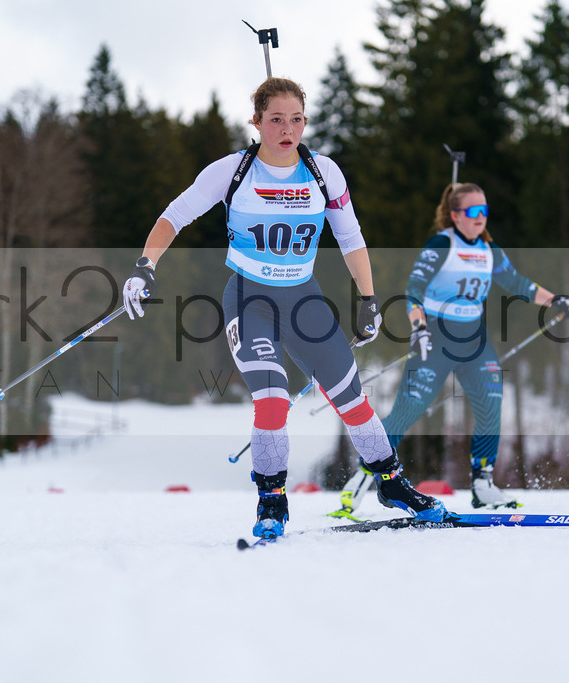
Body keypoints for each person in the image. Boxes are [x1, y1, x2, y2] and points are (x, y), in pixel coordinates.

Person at [122, 77, 446, 539]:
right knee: (272, 399)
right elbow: (173, 215)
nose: (287, 128)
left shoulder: (323, 172)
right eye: (275, 119)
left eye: (296, 119)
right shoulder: (233, 171)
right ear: (256, 123)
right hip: (249, 300)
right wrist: (144, 266)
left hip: (304, 300)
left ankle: (392, 485)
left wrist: (369, 299)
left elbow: (350, 237)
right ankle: (271, 499)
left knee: (353, 400)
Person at [334, 182, 569, 515]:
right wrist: (418, 327)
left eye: (485, 211)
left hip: (474, 341)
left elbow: (518, 285)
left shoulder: (489, 250)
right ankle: (366, 476)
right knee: (409, 411)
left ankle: (483, 484)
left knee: (491, 404)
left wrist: (556, 301)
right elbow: (414, 289)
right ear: (455, 215)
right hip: (435, 337)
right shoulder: (441, 244)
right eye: (473, 211)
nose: (481, 218)